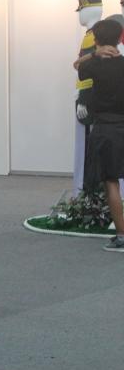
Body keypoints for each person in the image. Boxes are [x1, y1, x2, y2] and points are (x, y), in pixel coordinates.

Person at [79, 19, 124, 252]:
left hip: (106, 129)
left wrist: (94, 55)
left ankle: (122, 236)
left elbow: (76, 65)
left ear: (97, 41)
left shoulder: (95, 65)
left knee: (111, 182)